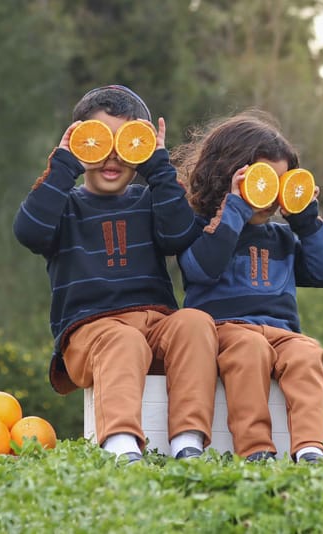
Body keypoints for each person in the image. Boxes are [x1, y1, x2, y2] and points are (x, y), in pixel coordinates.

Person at [13, 85, 218, 463]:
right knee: (123, 341)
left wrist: (158, 166)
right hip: (91, 333)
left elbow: (179, 235)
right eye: (98, 139)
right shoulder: (64, 206)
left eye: (125, 140)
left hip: (155, 326)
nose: (111, 154)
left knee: (195, 321)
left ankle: (188, 439)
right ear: (79, 141)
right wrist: (63, 164)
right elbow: (29, 230)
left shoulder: (149, 200)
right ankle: (121, 444)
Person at [173, 110, 323, 463]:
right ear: (226, 178)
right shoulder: (204, 229)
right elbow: (202, 268)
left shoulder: (282, 236)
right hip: (227, 332)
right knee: (250, 350)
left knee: (308, 354)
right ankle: (255, 449)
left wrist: (306, 222)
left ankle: (310, 447)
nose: (268, 195)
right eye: (260, 181)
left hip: (282, 334)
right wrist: (234, 208)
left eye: (280, 184)